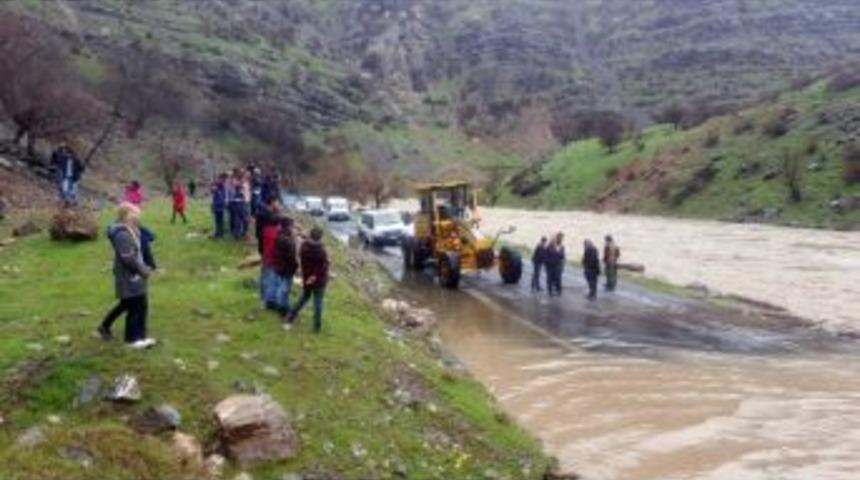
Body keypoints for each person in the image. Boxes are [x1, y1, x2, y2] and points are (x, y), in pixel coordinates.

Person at [98, 203, 156, 348]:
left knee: (135, 304)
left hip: (136, 274)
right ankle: (132, 340)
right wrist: (143, 270)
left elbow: (144, 245)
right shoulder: (122, 234)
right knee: (135, 306)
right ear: (125, 216)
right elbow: (128, 258)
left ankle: (139, 336)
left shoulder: (132, 230)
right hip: (129, 276)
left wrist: (146, 266)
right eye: (134, 213)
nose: (138, 215)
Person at [285, 226, 329, 333]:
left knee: (304, 297)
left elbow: (301, 260)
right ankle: (316, 327)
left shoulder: (304, 246)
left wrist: (309, 277)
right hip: (319, 280)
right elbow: (323, 267)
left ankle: (291, 316)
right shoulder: (321, 251)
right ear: (320, 237)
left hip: (307, 277)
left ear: (310, 234)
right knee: (318, 302)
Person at [210, 174, 228, 239]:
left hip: (221, 206)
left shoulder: (223, 186)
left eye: (224, 179)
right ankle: (217, 233)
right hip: (216, 206)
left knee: (220, 221)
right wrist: (213, 187)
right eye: (222, 179)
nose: (223, 181)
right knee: (217, 221)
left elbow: (224, 196)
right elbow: (212, 190)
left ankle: (220, 234)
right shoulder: (216, 185)